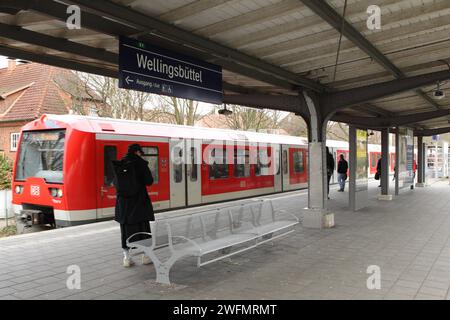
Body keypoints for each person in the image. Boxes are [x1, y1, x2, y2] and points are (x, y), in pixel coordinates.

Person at [115, 144, 155, 267]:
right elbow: (149, 181)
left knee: (125, 230)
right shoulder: (140, 163)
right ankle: (146, 256)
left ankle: (127, 258)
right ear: (137, 152)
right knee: (143, 229)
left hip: (124, 205)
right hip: (139, 202)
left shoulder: (120, 164)